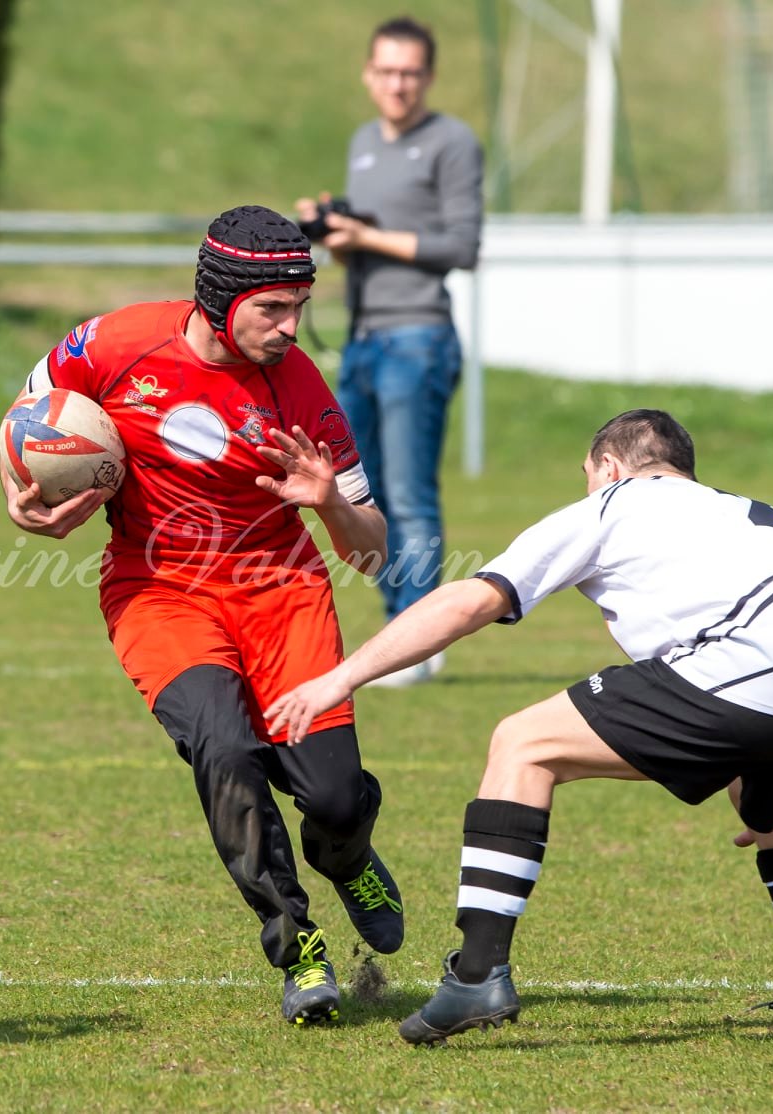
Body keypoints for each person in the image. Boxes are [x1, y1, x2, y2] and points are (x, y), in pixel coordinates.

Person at [269, 409, 773, 1044]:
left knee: (523, 743)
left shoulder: (613, 504)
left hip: (759, 669)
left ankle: (478, 974)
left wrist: (342, 677)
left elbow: (471, 601)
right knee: (772, 815)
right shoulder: (748, 511)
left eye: (588, 478)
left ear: (610, 468)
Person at [1, 205, 401, 1026]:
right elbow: (31, 413)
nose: (292, 327)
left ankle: (345, 849)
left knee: (329, 795)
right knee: (223, 747)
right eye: (274, 309)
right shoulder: (112, 344)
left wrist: (329, 503)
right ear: (220, 299)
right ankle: (296, 944)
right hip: (158, 592)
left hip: (283, 594)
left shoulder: (304, 394)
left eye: (300, 307)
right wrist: (24, 500)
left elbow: (373, 553)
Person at [296, 16, 483, 688]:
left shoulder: (452, 142)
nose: (397, 83)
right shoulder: (363, 143)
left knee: (408, 491)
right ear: (368, 73)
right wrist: (335, 234)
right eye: (387, 70)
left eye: (410, 72)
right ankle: (399, 629)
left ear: (428, 76)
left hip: (419, 336)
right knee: (360, 490)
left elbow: (461, 248)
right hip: (365, 340)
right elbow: (370, 237)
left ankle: (420, 640)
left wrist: (365, 237)